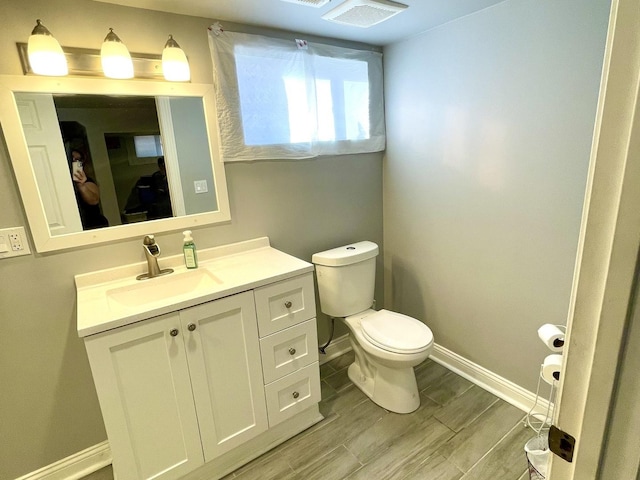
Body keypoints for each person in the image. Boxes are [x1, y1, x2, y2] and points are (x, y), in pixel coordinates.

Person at [70, 149, 109, 229]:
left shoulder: (87, 181)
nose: (74, 161)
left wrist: (81, 186)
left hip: (94, 225)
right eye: (72, 158)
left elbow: (94, 200)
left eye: (77, 160)